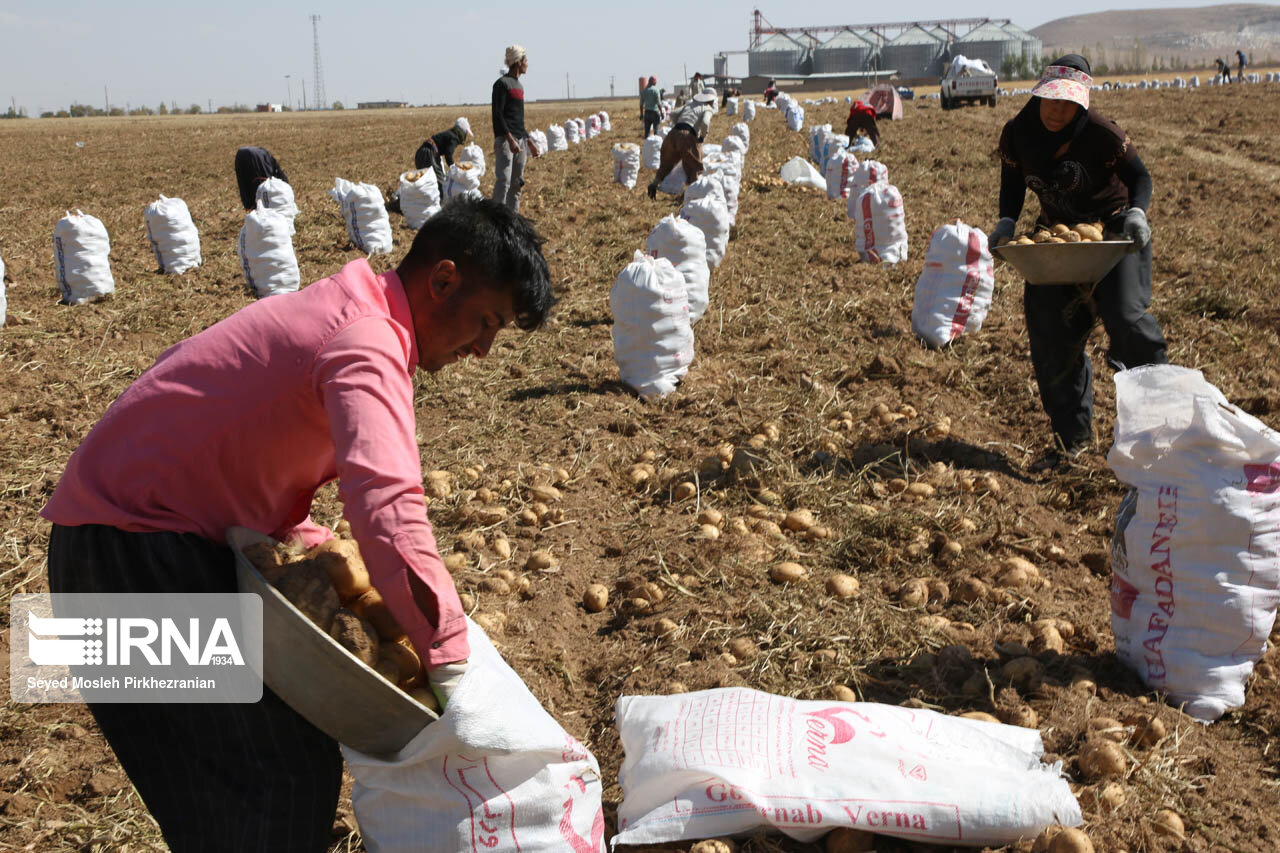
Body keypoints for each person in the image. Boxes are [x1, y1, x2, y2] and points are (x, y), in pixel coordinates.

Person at [40, 198, 554, 852]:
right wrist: (450, 660)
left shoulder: (351, 310)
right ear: (444, 279)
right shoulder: (365, 339)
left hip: (111, 547)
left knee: (229, 790)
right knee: (274, 774)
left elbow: (264, 492)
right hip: (129, 559)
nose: (483, 348)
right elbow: (386, 506)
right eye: (487, 321)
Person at [989, 55, 1168, 470]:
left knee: (1128, 321)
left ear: (1081, 103)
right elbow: (1013, 182)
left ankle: (1162, 433)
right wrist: (1006, 222)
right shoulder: (1019, 133)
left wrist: (1138, 213)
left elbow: (1140, 177)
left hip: (1111, 237)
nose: (1056, 110)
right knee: (1051, 337)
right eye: (1050, 100)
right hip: (1056, 239)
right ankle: (1073, 441)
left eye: (1067, 104)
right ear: (1039, 95)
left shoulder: (1103, 133)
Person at [492, 44, 540, 213]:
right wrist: (509, 139)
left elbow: (518, 120)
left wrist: (529, 141)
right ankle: (496, 219)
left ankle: (513, 219)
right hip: (506, 141)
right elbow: (498, 115)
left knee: (517, 183)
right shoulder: (502, 84)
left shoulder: (519, 86)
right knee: (503, 181)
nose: (527, 63)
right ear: (518, 62)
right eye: (525, 60)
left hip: (519, 141)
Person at [647, 90, 717, 199]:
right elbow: (705, 123)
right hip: (687, 136)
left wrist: (678, 126)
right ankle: (695, 195)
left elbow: (673, 113)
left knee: (667, 163)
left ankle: (654, 184)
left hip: (673, 134)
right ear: (711, 100)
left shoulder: (689, 104)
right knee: (695, 165)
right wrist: (702, 136)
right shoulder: (707, 108)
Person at [415, 117, 473, 190]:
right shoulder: (454, 137)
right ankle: (441, 198)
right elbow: (448, 154)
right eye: (466, 133)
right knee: (438, 179)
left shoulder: (450, 134)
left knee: (428, 178)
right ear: (462, 131)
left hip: (425, 151)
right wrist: (454, 168)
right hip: (429, 153)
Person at [234, 146, 288, 211]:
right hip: (256, 157)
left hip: (240, 155)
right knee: (262, 184)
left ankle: (250, 206)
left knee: (244, 183)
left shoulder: (269, 159)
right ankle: (260, 209)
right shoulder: (280, 179)